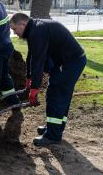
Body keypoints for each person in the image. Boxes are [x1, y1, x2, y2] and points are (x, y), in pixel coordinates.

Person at [9, 13, 86, 146]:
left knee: (57, 94)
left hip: (71, 62)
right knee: (55, 93)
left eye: (15, 29)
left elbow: (38, 61)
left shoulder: (37, 31)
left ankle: (53, 136)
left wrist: (34, 88)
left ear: (23, 24)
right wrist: (29, 78)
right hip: (65, 61)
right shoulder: (34, 29)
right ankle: (53, 127)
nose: (15, 33)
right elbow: (31, 56)